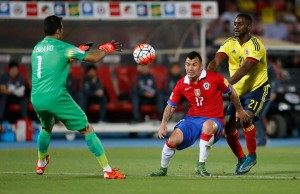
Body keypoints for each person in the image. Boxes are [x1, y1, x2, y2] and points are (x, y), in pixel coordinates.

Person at [31, 15, 125, 179]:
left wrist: (78, 50)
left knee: (47, 127)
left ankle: (40, 164)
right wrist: (107, 48)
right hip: (56, 97)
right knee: (87, 129)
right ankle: (108, 170)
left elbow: (52, 62)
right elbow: (95, 58)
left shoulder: (37, 47)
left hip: (37, 98)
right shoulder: (63, 47)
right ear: (59, 30)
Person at [150, 51, 249, 177]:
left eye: (194, 65)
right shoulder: (181, 84)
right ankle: (162, 169)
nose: (190, 68)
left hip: (214, 120)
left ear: (201, 66)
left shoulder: (215, 78)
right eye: (187, 64)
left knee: (208, 126)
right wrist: (163, 124)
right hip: (192, 120)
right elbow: (170, 107)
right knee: (173, 140)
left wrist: (240, 110)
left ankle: (201, 166)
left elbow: (232, 92)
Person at [207, 13, 271, 175]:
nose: (236, 26)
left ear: (249, 27)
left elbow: (244, 69)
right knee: (228, 126)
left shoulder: (257, 46)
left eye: (240, 24)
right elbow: (216, 61)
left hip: (257, 89)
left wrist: (224, 85)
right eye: (235, 23)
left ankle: (252, 156)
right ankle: (241, 158)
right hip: (237, 92)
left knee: (246, 117)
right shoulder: (229, 44)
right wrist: (206, 78)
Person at [255, 62, 279, 146]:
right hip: (257, 95)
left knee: (260, 115)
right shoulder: (253, 64)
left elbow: (275, 79)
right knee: (257, 116)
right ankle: (261, 139)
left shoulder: (270, 66)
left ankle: (264, 138)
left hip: (267, 94)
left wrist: (274, 92)